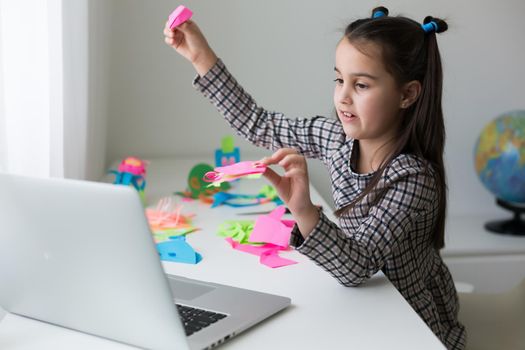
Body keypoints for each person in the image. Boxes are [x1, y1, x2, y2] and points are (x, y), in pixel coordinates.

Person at [163, 6, 466, 349]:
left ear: (407, 94)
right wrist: (200, 56)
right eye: (339, 80)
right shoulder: (337, 139)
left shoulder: (412, 180)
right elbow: (261, 125)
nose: (343, 96)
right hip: (362, 308)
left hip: (412, 327)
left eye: (361, 84)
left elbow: (357, 267)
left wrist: (304, 209)